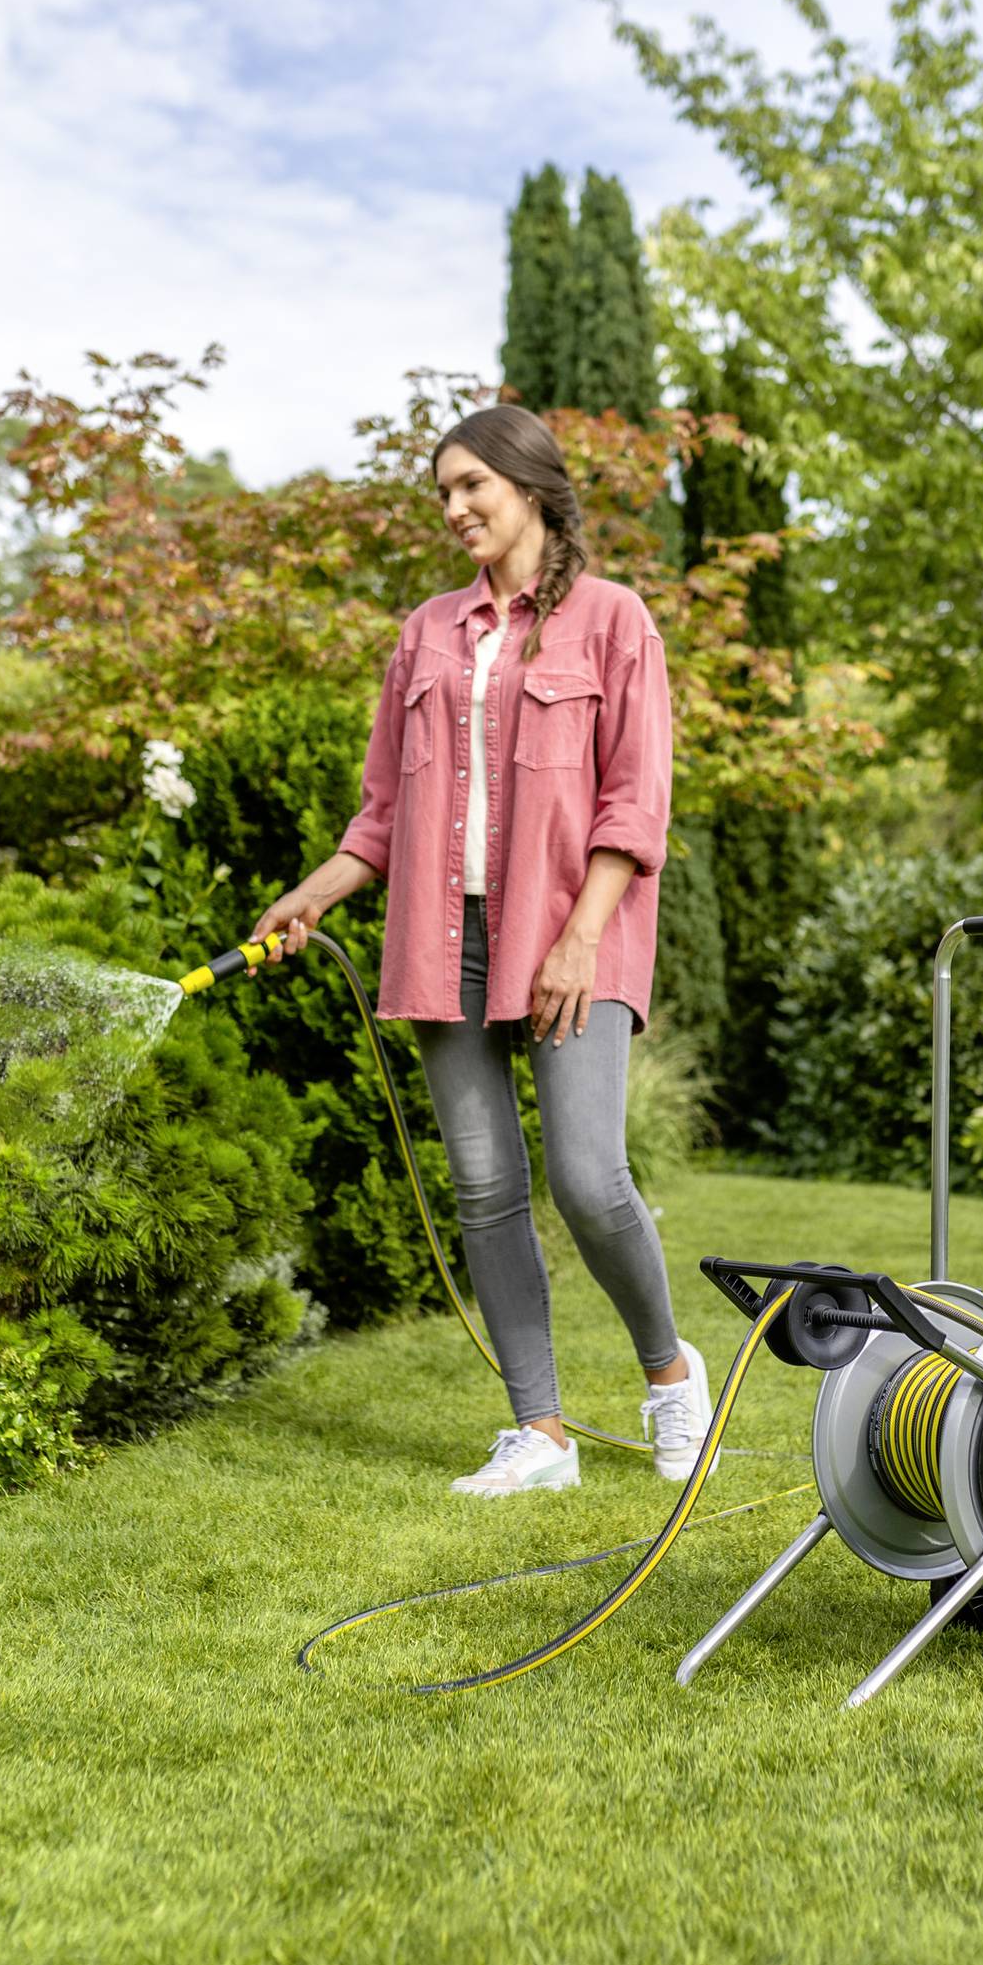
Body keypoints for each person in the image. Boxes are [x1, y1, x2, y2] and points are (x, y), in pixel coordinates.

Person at [247, 403, 702, 1499]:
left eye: (470, 489)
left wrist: (581, 938)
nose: (453, 510)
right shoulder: (426, 634)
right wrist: (308, 896)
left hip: (571, 935)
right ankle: (539, 1433)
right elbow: (382, 816)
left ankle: (672, 1377)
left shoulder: (613, 619)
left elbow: (636, 805)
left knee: (589, 1180)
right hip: (443, 934)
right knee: (486, 1186)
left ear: (530, 488)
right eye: (442, 493)